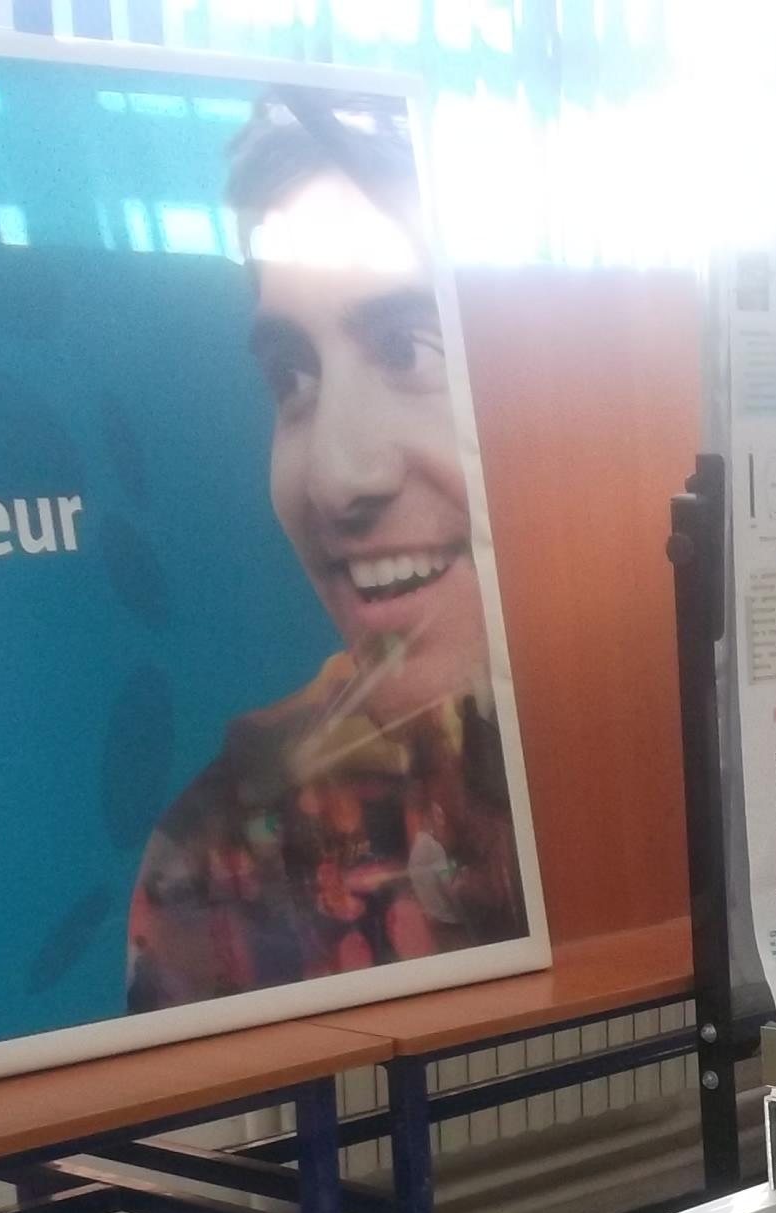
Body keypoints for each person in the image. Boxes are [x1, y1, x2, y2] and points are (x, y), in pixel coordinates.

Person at [126, 95, 529, 1011]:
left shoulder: (692, 762)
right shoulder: (230, 849)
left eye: (408, 348)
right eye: (292, 377)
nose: (337, 478)